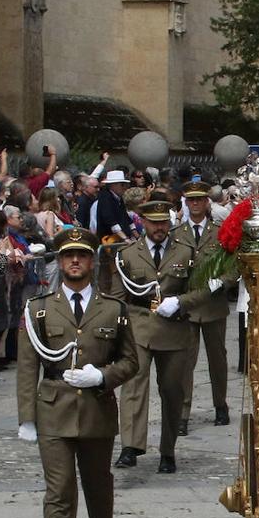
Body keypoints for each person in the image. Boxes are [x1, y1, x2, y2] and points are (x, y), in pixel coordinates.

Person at [16, 227, 139, 518]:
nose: (74, 261)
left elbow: (131, 360)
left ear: (91, 261)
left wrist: (103, 375)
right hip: (53, 407)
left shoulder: (113, 309)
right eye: (68, 256)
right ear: (58, 261)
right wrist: (26, 417)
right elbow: (27, 366)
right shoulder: (38, 308)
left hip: (97, 409)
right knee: (60, 492)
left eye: (82, 255)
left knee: (98, 488)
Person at [107, 200, 204, 473]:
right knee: (133, 385)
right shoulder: (128, 254)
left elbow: (201, 288)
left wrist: (182, 303)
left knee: (172, 390)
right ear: (143, 223)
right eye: (154, 223)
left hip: (174, 328)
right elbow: (116, 297)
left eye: (163, 223)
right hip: (138, 327)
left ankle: (167, 450)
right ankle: (130, 445)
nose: (159, 228)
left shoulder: (186, 252)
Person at [172, 180, 234, 432]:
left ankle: (220, 405)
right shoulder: (177, 234)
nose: (195, 203)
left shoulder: (219, 232)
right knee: (185, 362)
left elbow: (233, 267)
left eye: (200, 199)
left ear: (207, 202)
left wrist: (223, 282)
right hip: (187, 306)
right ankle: (183, 413)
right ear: (186, 203)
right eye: (191, 200)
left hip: (213, 304)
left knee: (217, 359)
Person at [95, 170, 134, 243]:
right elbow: (110, 221)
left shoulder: (119, 197)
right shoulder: (105, 198)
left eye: (125, 184)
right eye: (122, 184)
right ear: (113, 185)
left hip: (121, 239)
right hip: (111, 241)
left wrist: (138, 236)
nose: (125, 187)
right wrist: (125, 239)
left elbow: (126, 217)